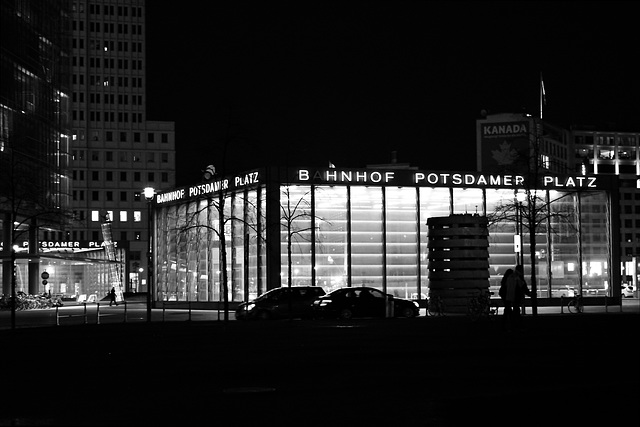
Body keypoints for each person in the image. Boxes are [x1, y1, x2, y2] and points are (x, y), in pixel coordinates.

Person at [499, 266, 530, 331]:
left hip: (507, 296)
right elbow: (523, 287)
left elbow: (504, 286)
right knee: (515, 310)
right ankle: (515, 325)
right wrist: (530, 294)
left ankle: (505, 325)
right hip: (514, 296)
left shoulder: (509, 276)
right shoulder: (518, 277)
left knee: (508, 310)